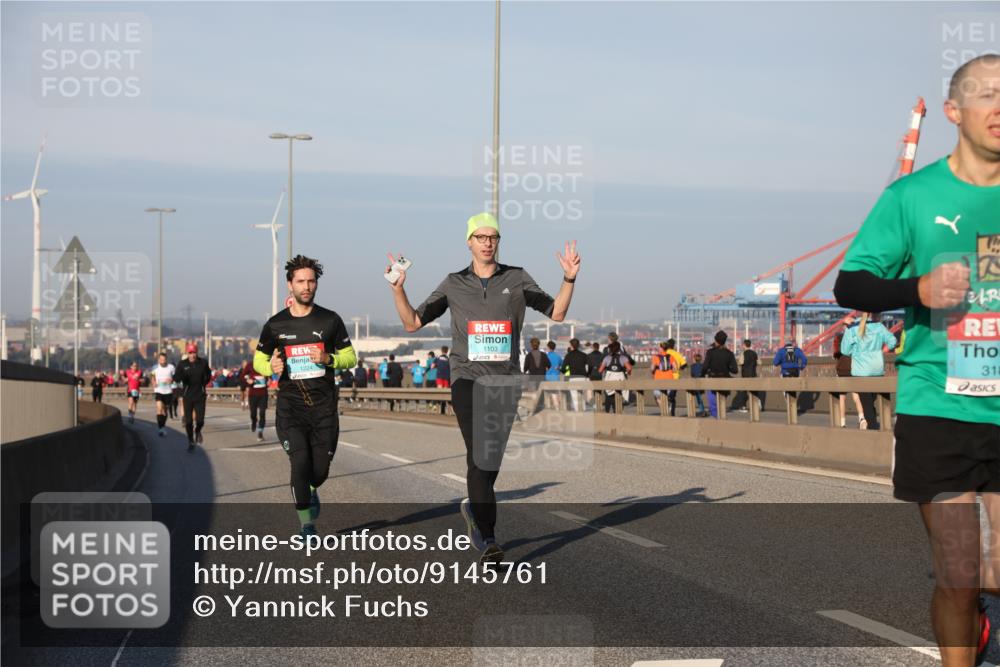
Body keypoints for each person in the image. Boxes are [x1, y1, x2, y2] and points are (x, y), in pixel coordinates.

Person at [832, 53, 1000, 667]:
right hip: (940, 401)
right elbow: (850, 287)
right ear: (955, 112)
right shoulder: (912, 196)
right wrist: (917, 290)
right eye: (985, 95)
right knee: (959, 575)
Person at [388, 212, 579, 563]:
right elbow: (412, 322)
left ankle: (474, 513)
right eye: (480, 236)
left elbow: (557, 313)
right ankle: (489, 538)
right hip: (466, 379)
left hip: (505, 381)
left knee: (489, 461)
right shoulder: (452, 283)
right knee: (480, 454)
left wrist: (568, 278)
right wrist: (399, 290)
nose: (487, 242)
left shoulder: (517, 278)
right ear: (469, 242)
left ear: (498, 242)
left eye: (493, 237)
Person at [254, 255, 356, 538]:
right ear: (290, 285)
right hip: (291, 409)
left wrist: (329, 357)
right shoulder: (276, 325)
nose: (307, 286)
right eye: (301, 281)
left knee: (319, 472)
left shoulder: (330, 320)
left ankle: (311, 489)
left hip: (323, 408)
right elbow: (258, 361)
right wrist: (269, 367)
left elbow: (351, 357)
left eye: (311, 281)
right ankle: (306, 525)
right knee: (299, 462)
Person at [840, 312, 897, 430]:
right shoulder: (879, 327)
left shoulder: (852, 329)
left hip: (861, 372)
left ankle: (873, 430)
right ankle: (874, 424)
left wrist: (855, 351)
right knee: (871, 401)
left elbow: (844, 351)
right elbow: (893, 341)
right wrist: (881, 351)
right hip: (877, 370)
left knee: (866, 404)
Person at [175, 343, 212, 451]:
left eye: (194, 352)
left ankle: (198, 431)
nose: (192, 355)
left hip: (200, 395)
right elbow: (176, 376)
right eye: (190, 353)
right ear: (187, 353)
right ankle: (191, 441)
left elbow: (208, 375)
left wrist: (204, 383)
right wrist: (179, 378)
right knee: (189, 421)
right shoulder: (182, 364)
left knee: (200, 421)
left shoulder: (203, 363)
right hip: (188, 396)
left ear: (197, 353)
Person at [700, 331, 738, 418]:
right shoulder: (729, 353)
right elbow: (735, 370)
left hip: (712, 379)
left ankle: (716, 419)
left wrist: (702, 376)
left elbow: (705, 367)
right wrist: (727, 367)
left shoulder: (710, 352)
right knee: (722, 402)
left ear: (715, 340)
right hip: (725, 380)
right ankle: (722, 418)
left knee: (713, 402)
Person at [651, 339, 686, 416]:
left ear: (661, 348)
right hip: (670, 378)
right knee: (669, 396)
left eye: (659, 347)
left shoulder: (656, 357)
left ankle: (665, 410)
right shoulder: (671, 356)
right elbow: (675, 368)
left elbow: (652, 368)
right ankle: (669, 410)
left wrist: (654, 371)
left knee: (657, 396)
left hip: (658, 379)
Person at [730, 339, 763, 413]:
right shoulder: (755, 353)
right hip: (753, 375)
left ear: (744, 345)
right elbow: (760, 362)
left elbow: (740, 362)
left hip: (745, 375)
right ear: (750, 345)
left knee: (743, 391)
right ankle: (757, 404)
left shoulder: (743, 353)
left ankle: (743, 406)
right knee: (754, 391)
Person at [598, 341, 632, 413]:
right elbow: (629, 368)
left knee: (608, 395)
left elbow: (600, 370)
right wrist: (628, 372)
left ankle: (607, 411)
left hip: (609, 378)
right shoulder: (623, 358)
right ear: (619, 349)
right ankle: (618, 411)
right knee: (620, 394)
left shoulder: (607, 358)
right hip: (620, 377)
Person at [241, 356, 269, 441]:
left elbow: (271, 374)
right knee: (253, 414)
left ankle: (260, 432)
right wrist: (248, 380)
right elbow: (243, 376)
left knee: (262, 413)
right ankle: (254, 421)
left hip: (263, 394)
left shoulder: (266, 364)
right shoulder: (250, 365)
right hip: (253, 394)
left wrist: (270, 378)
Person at [560, 338, 590, 412]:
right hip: (583, 377)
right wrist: (587, 375)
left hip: (573, 377)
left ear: (571, 345)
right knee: (582, 394)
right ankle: (583, 410)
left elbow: (563, 368)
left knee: (574, 396)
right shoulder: (584, 355)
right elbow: (589, 366)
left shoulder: (568, 355)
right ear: (578, 345)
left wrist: (563, 371)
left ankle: (578, 412)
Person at [151, 353, 176, 437]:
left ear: (166, 359)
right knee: (159, 408)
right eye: (161, 360)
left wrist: (172, 380)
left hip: (168, 391)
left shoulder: (171, 367)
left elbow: (176, 377)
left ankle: (163, 426)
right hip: (158, 390)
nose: (163, 361)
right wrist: (153, 382)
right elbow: (152, 376)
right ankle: (160, 428)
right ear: (158, 360)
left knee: (165, 411)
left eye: (164, 360)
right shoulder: (155, 367)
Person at [544, 341, 563, 409]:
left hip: (547, 378)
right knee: (555, 394)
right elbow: (562, 366)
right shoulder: (558, 357)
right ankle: (557, 408)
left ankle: (550, 409)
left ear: (548, 347)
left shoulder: (546, 356)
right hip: (556, 378)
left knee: (548, 395)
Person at [586, 341, 604, 409]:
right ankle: (599, 403)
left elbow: (588, 366)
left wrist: (588, 374)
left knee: (594, 389)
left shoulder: (589, 356)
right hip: (600, 374)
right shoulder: (602, 355)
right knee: (599, 389)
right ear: (598, 347)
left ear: (593, 347)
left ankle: (595, 404)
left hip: (592, 374)